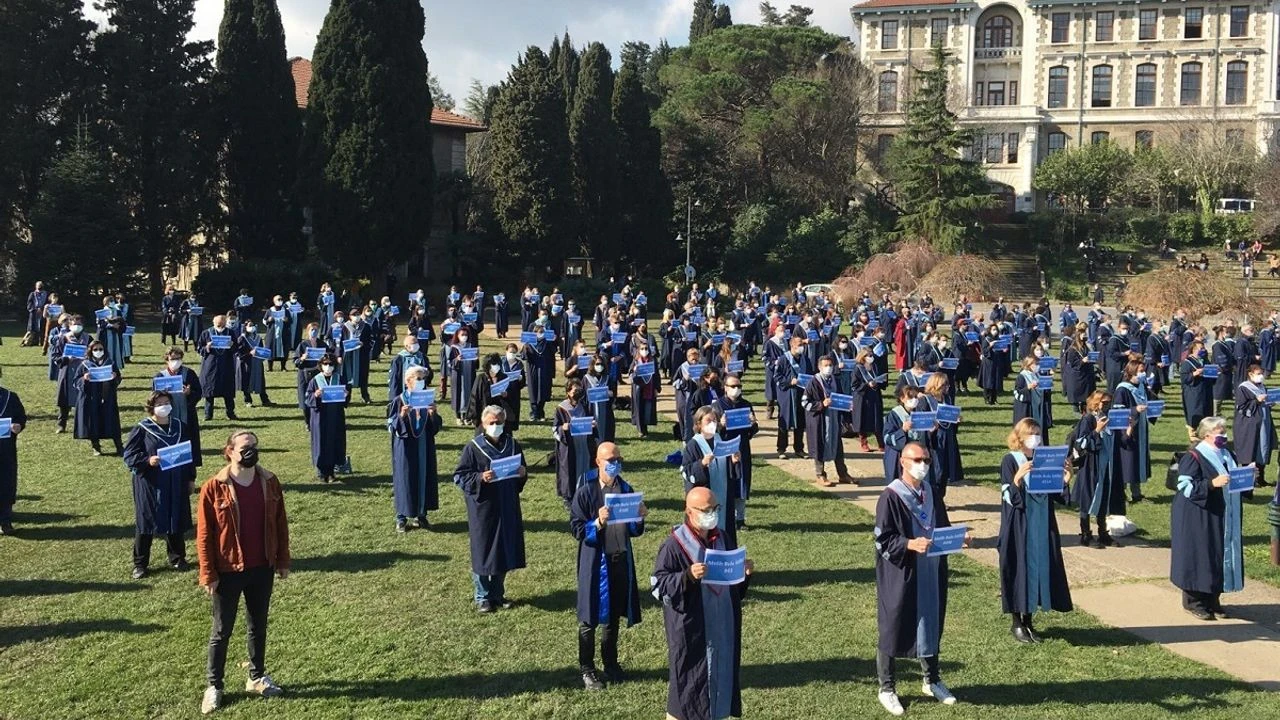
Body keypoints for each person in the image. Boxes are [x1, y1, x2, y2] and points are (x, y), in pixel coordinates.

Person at [196, 430, 290, 714]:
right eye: (245, 447)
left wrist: (282, 560)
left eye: (254, 447)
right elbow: (204, 535)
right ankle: (214, 685)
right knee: (221, 630)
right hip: (228, 569)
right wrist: (208, 573)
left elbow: (281, 523)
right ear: (230, 452)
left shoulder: (270, 482)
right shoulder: (213, 487)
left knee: (257, 625)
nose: (251, 451)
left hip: (262, 566)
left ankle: (257, 677)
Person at [873, 442, 960, 716]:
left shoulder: (932, 493)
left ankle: (931, 679)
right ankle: (887, 688)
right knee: (893, 626)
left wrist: (958, 538)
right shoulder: (891, 496)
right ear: (903, 461)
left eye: (926, 459)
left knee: (931, 622)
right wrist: (909, 545)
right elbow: (882, 540)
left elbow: (942, 527)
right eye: (917, 459)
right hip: (902, 573)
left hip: (931, 570)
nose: (922, 464)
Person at [652, 486, 753, 720]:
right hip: (692, 629)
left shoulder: (723, 538)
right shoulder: (674, 545)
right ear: (689, 512)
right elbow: (658, 586)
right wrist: (686, 576)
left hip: (721, 627)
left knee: (720, 682)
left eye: (715, 508)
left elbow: (734, 589)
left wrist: (744, 574)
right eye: (706, 510)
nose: (712, 514)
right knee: (688, 688)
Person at [570, 442, 647, 690]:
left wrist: (639, 517)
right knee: (589, 618)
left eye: (617, 458)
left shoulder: (626, 489)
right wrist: (598, 523)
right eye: (609, 459)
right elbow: (577, 529)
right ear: (598, 462)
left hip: (619, 560)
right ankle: (587, 669)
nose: (614, 463)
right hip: (594, 563)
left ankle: (610, 663)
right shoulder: (586, 492)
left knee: (612, 617)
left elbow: (634, 531)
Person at [998, 419, 1073, 643]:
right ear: (1019, 437)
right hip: (1018, 526)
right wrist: (1018, 478)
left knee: (1039, 569)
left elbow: (1057, 495)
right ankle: (1016, 623)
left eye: (1038, 433)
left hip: (1042, 524)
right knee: (1018, 569)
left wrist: (1066, 478)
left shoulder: (1045, 460)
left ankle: (1029, 620)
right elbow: (1008, 497)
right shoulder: (1010, 460)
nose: (1036, 438)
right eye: (1031, 434)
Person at [454, 405, 528, 612]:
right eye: (491, 423)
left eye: (499, 422)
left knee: (504, 549)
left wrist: (523, 473)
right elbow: (460, 476)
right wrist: (480, 477)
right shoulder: (473, 448)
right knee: (484, 550)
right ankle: (482, 596)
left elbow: (521, 472)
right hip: (484, 507)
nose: (495, 426)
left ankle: (498, 593)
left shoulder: (513, 445)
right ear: (483, 424)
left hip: (507, 504)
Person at [1171, 417, 1246, 620]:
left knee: (1218, 554)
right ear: (1207, 435)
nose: (1224, 435)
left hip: (1222, 514)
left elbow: (1234, 480)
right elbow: (1185, 487)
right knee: (1199, 555)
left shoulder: (1227, 453)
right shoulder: (1194, 456)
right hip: (1198, 515)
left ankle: (1213, 599)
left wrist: (1247, 476)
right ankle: (1194, 602)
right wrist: (1212, 483)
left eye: (1225, 431)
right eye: (1220, 432)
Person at [123, 391, 196, 579]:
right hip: (151, 482)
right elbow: (129, 455)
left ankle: (177, 557)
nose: (164, 406)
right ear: (151, 407)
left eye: (166, 402)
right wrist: (147, 460)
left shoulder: (180, 426)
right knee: (147, 522)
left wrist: (190, 479)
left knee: (175, 517)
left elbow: (189, 455)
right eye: (159, 403)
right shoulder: (142, 428)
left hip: (176, 479)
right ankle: (140, 564)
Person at [388, 366, 443, 533]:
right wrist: (402, 416)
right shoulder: (399, 401)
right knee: (405, 478)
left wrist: (434, 414)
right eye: (417, 379)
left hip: (423, 445)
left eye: (423, 379)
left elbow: (435, 427)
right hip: (405, 447)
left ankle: (421, 514)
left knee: (424, 477)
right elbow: (390, 426)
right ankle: (401, 517)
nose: (421, 382)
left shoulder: (427, 399)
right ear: (408, 381)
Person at [681, 406, 744, 549]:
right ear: (698, 424)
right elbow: (686, 471)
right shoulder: (693, 445)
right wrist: (701, 464)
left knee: (725, 528)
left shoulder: (720, 440)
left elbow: (730, 470)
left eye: (714, 420)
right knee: (706, 531)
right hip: (706, 498)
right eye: (708, 420)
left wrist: (734, 462)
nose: (712, 424)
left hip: (724, 495)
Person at [1070, 391, 1123, 548]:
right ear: (1094, 403)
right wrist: (1096, 431)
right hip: (1091, 466)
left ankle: (1103, 533)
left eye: (1107, 403)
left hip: (1107, 465)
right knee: (1088, 498)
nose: (1104, 406)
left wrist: (1129, 428)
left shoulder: (1109, 419)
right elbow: (1080, 444)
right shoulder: (1088, 419)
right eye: (1101, 402)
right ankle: (1085, 534)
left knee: (1104, 497)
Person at [803, 355, 855, 487]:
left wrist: (847, 406)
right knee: (819, 446)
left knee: (837, 446)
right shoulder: (813, 382)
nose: (829, 368)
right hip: (819, 421)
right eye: (825, 366)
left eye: (830, 365)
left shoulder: (835, 380)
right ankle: (820, 474)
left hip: (834, 419)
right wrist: (821, 404)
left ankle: (843, 474)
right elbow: (805, 403)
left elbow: (842, 397)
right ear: (819, 367)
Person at [716, 376, 759, 530]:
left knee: (742, 482)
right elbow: (711, 432)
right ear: (725, 387)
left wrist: (753, 424)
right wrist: (720, 426)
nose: (736, 389)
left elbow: (752, 431)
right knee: (727, 483)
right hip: (725, 450)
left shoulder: (745, 404)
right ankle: (726, 517)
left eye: (738, 386)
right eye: (733, 386)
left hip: (742, 449)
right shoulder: (717, 405)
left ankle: (740, 519)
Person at [304, 354, 349, 483]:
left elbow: (345, 399)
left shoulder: (339, 379)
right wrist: (315, 395)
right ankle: (322, 471)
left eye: (330, 364)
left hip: (335, 417)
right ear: (321, 365)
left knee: (335, 442)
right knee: (321, 442)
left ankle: (332, 471)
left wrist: (346, 395)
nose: (328, 367)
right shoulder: (315, 380)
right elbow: (307, 398)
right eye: (325, 364)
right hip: (320, 417)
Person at [1114, 358, 1153, 504]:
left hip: (1141, 430)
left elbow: (1148, 401)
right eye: (1141, 371)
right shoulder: (1122, 389)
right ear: (1131, 372)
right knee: (1126, 463)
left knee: (1137, 461)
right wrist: (1134, 410)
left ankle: (1137, 494)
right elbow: (1117, 412)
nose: (1143, 374)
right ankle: (1120, 494)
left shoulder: (1141, 386)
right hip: (1127, 431)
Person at [76, 341, 123, 456]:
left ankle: (119, 446)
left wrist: (115, 377)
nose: (98, 352)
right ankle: (96, 446)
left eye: (100, 349)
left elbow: (118, 378)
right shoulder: (84, 364)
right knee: (93, 423)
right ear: (90, 351)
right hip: (91, 398)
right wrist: (84, 379)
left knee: (112, 422)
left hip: (107, 397)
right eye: (95, 349)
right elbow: (76, 381)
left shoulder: (110, 363)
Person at [554, 380, 597, 507]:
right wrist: (563, 428)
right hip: (569, 447)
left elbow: (590, 421)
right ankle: (569, 498)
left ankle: (585, 493)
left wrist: (593, 425)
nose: (577, 393)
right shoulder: (561, 409)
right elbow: (555, 429)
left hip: (583, 444)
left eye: (579, 390)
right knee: (569, 471)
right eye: (575, 391)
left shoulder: (583, 406)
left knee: (585, 466)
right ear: (568, 392)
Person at [1234, 364, 1275, 489]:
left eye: (1261, 373)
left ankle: (1260, 478)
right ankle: (1248, 480)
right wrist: (1256, 400)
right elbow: (1241, 407)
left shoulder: (1262, 386)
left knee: (1263, 449)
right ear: (1250, 374)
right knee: (1250, 450)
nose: (1261, 376)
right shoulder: (1243, 388)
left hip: (1263, 422)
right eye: (1258, 374)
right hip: (1248, 425)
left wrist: (1270, 402)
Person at [773, 337, 810, 459]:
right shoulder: (784, 359)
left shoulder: (805, 359)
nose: (801, 347)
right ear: (792, 345)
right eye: (799, 344)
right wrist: (789, 381)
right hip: (787, 395)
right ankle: (781, 449)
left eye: (802, 344)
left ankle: (799, 448)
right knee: (785, 422)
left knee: (800, 422)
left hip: (801, 393)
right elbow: (777, 376)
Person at [53, 317, 92, 433]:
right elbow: (55, 356)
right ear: (69, 326)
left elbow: (96, 353)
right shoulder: (63, 338)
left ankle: (84, 425)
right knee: (64, 399)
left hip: (83, 372)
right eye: (74, 324)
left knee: (84, 398)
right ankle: (61, 424)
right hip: (67, 371)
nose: (77, 326)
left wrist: (88, 357)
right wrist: (66, 359)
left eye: (79, 324)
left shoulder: (88, 338)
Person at [0, 380, 27, 535]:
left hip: (5, 449)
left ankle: (5, 521)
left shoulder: (10, 397)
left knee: (6, 483)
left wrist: (18, 426)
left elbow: (21, 417)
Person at [199, 316, 239, 421]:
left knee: (228, 391)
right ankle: (208, 414)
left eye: (222, 324)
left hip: (226, 365)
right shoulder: (206, 333)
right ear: (213, 322)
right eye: (217, 324)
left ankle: (230, 413)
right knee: (210, 390)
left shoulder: (230, 333)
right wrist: (207, 347)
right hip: (211, 365)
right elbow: (199, 348)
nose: (220, 326)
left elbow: (236, 348)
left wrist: (232, 346)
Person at [1181, 339, 1215, 443]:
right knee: (1195, 411)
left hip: (1206, 390)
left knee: (1206, 410)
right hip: (1193, 392)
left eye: (1203, 348)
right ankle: (1193, 433)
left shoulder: (1205, 360)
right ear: (1194, 350)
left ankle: (1205, 432)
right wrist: (1194, 374)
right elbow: (1184, 379)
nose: (1203, 350)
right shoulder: (1187, 363)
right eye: (1201, 349)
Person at [234, 320, 271, 408]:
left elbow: (261, 349)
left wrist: (265, 354)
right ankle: (248, 400)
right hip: (247, 363)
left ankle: (265, 400)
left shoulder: (258, 338)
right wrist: (249, 353)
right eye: (249, 325)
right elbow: (238, 353)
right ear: (245, 327)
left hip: (257, 363)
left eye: (253, 325)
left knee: (260, 381)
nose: (252, 327)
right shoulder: (242, 338)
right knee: (246, 382)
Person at [387, 333, 430, 403]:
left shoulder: (422, 357)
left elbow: (429, 375)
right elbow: (394, 379)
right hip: (403, 390)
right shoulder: (398, 359)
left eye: (417, 342)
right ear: (407, 346)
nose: (416, 345)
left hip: (419, 390)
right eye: (414, 343)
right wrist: (394, 397)